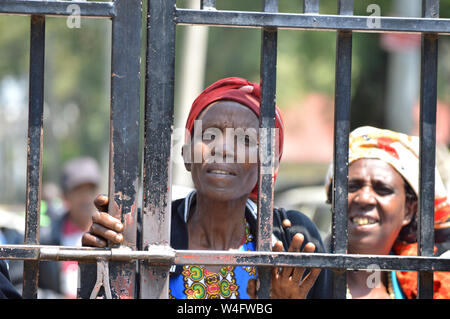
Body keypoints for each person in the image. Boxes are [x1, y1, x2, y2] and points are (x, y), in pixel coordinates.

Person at [82, 77, 331, 299]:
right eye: (209, 135)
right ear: (186, 153)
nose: (223, 148)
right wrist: (97, 263)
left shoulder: (291, 238)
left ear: (268, 164)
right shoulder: (141, 233)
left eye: (245, 140)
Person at [325, 126, 450, 299]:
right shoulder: (303, 279)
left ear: (408, 210)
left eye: (382, 189)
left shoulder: (428, 284)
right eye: (351, 187)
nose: (364, 198)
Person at [40, 156, 102, 298]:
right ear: (65, 196)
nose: (86, 197)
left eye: (90, 189)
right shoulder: (46, 237)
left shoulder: (108, 235)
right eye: (79, 190)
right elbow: (25, 286)